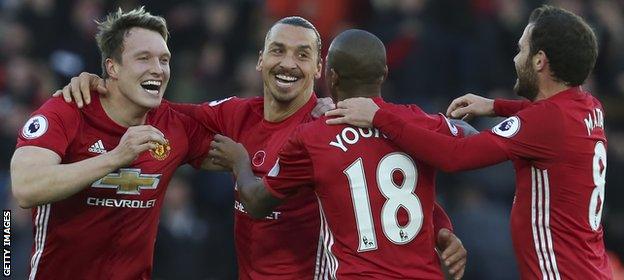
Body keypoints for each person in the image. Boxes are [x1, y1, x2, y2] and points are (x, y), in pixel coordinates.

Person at [56, 17, 467, 279]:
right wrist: (101, 85)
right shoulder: (235, 116)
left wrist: (440, 223)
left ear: (320, 69)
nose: (288, 63)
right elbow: (160, 108)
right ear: (259, 59)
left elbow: (388, 175)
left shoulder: (330, 124)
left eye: (303, 55)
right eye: (278, 50)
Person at [326, 5, 612, 279]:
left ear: (539, 60)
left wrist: (380, 117)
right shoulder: (588, 107)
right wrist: (495, 105)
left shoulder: (546, 122)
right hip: (590, 267)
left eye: (521, 49)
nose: (515, 59)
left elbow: (455, 156)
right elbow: (544, 118)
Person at [208, 29, 474, 280]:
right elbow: (472, 138)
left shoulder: (315, 137)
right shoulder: (414, 122)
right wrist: (442, 229)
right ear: (384, 74)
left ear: (331, 76)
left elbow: (256, 204)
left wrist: (240, 161)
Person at [10, 7, 216, 279]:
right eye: (144, 58)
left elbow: (246, 142)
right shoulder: (67, 110)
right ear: (112, 67)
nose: (158, 69)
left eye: (164, 60)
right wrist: (116, 157)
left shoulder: (175, 125)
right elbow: (25, 187)